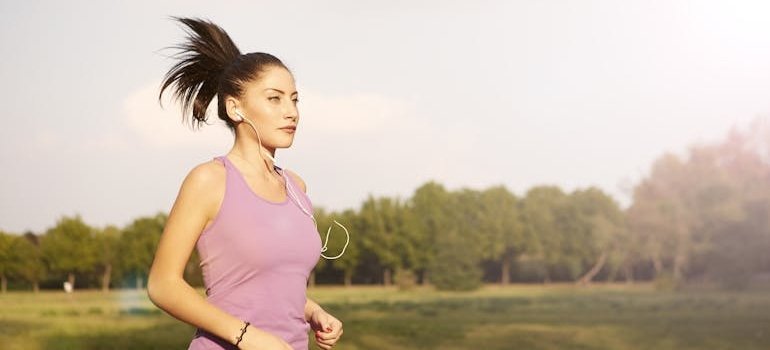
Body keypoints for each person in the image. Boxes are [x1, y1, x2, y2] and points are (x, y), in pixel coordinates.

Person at [147, 17, 343, 350]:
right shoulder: (209, 180)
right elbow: (162, 284)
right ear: (235, 108)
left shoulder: (296, 187)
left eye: (295, 99)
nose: (291, 112)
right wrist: (247, 336)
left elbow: (270, 284)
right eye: (274, 98)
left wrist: (312, 311)